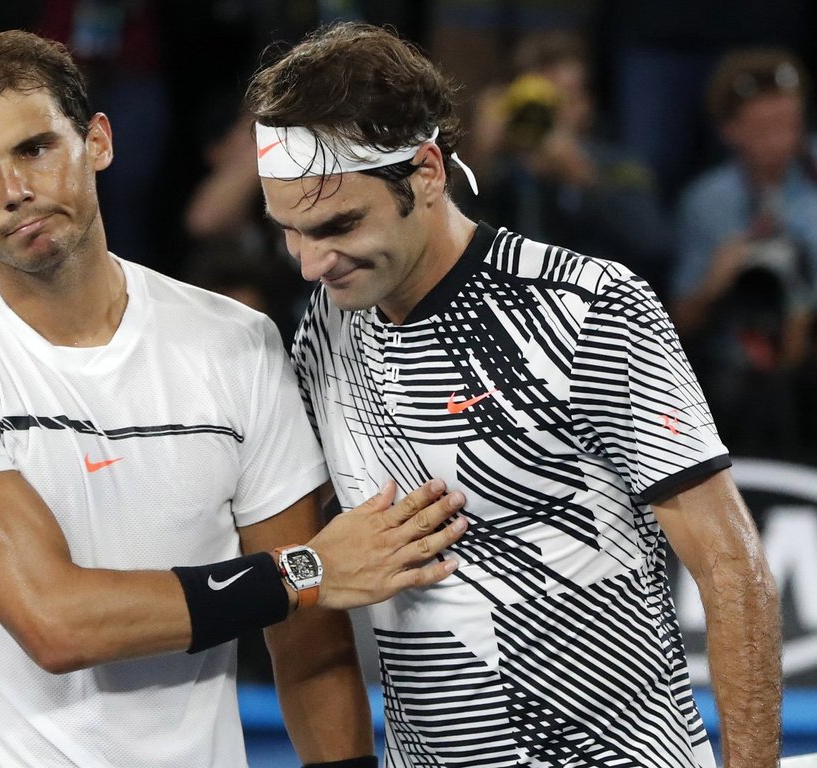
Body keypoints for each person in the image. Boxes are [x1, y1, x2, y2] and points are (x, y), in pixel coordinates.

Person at [0, 30, 469, 768]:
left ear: (98, 141)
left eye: (35, 149)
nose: (15, 189)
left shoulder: (237, 344)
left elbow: (308, 646)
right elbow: (56, 623)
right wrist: (304, 573)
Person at [245, 21, 781, 767]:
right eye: (289, 232)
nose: (309, 264)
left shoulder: (590, 307)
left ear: (426, 171)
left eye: (337, 225)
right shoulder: (322, 333)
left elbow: (732, 566)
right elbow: (307, 590)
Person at [671, 47, 817, 460]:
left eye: (792, 123)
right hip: (732, 373)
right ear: (731, 130)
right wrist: (714, 282)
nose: (783, 139)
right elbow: (679, 322)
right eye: (766, 126)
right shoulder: (706, 201)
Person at [467, 30, 673, 297]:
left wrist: (586, 182)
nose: (553, 112)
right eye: (540, 100)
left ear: (586, 106)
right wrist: (480, 158)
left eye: (564, 96)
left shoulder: (619, 167)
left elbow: (654, 246)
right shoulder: (499, 172)